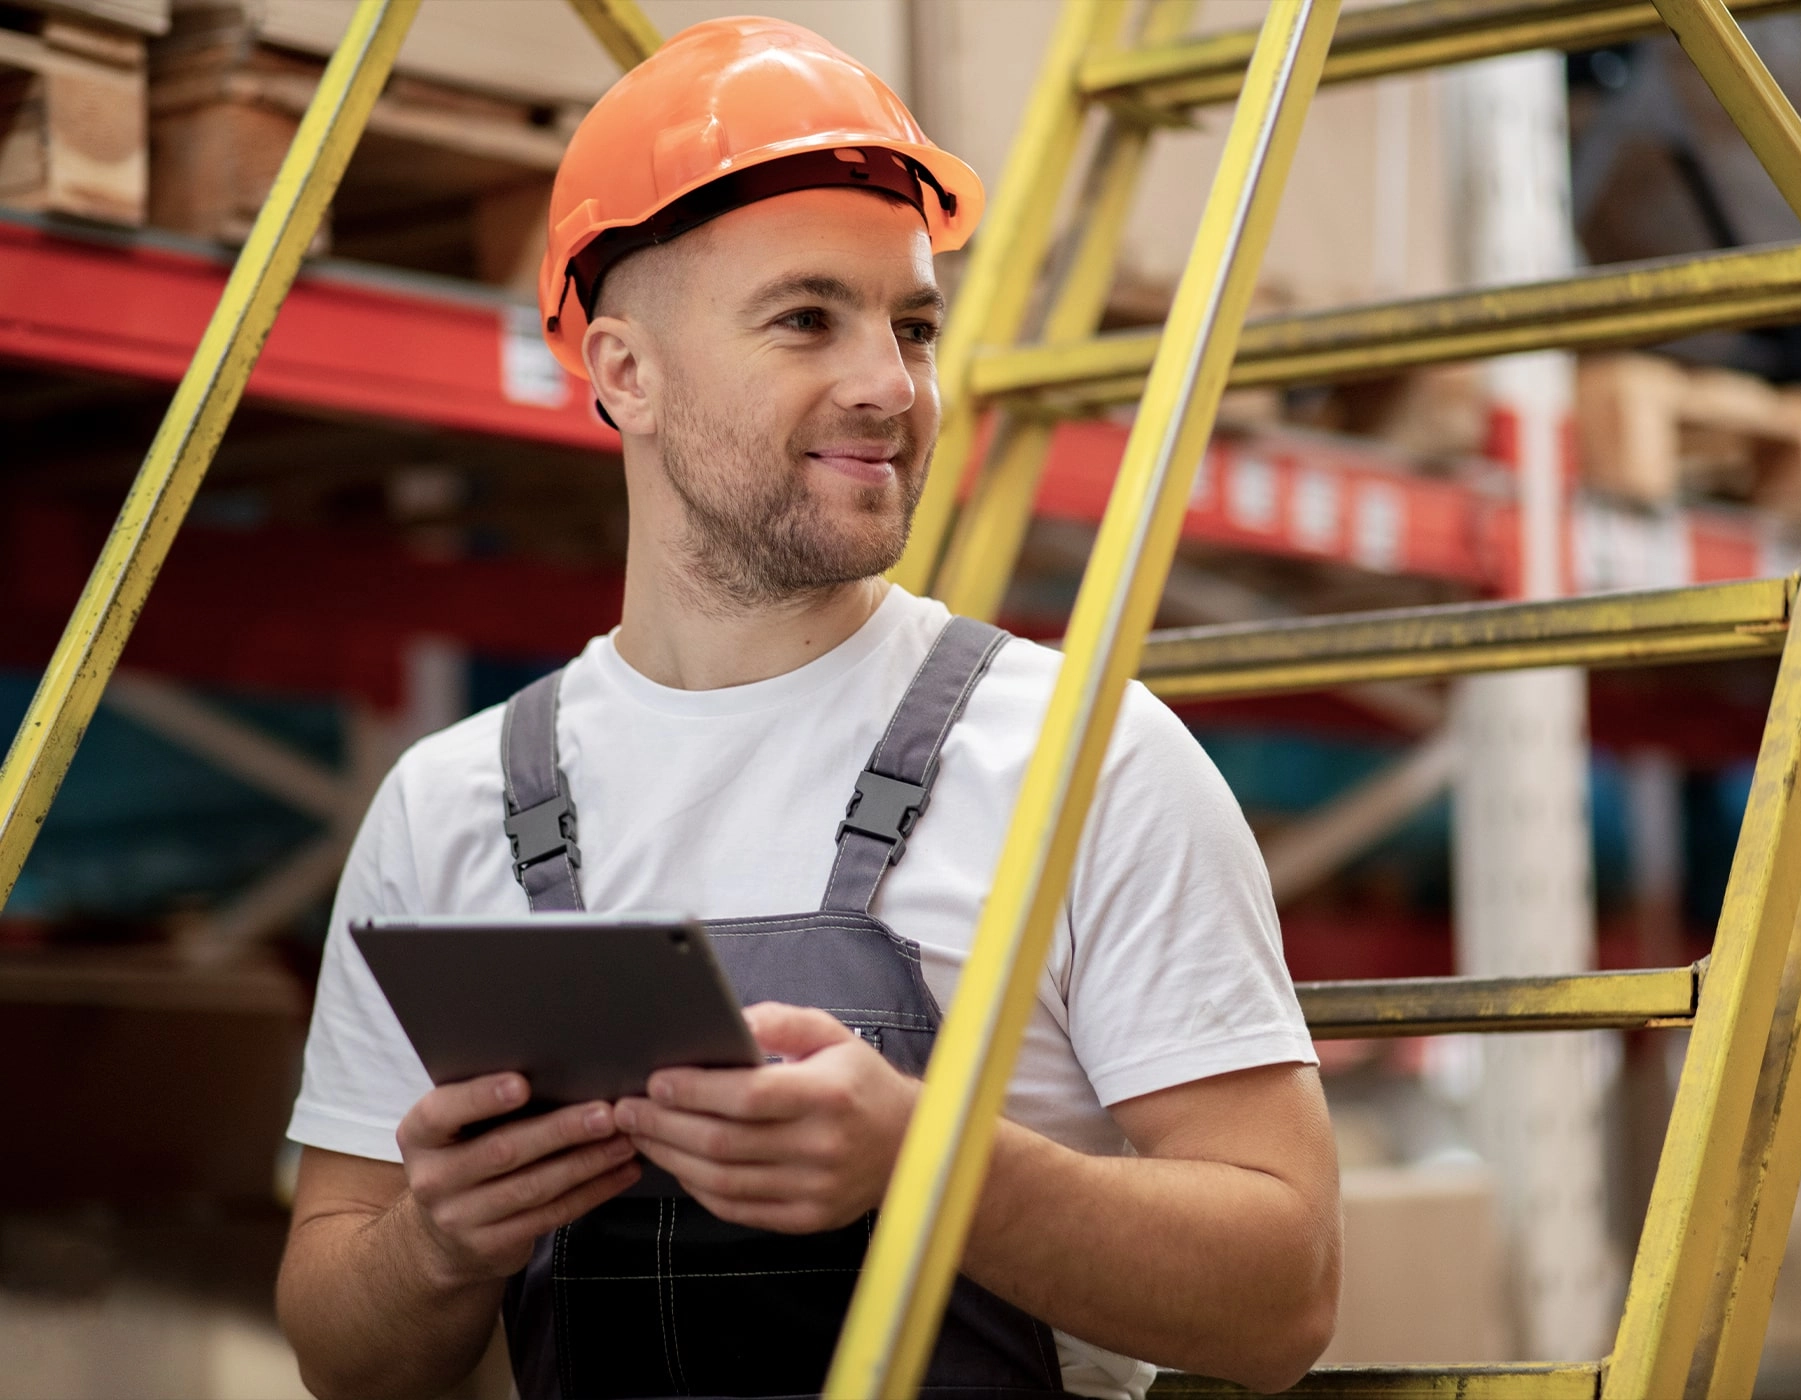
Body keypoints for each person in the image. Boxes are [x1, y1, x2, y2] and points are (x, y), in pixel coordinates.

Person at [275, 17, 1340, 1400]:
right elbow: (340, 1353)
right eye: (805, 319)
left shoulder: (1082, 757)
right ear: (624, 374)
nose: (890, 386)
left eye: (913, 325)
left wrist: (929, 1166)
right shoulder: (450, 805)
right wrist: (433, 1247)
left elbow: (1287, 1293)